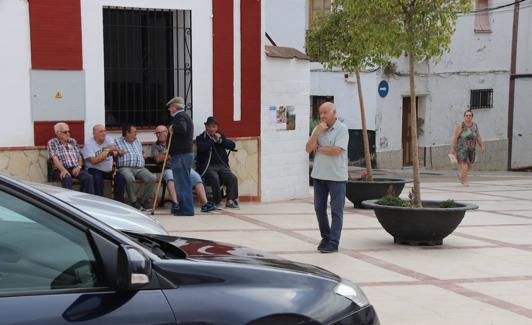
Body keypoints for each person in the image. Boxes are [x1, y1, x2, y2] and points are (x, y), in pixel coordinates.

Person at [305, 102, 349, 253]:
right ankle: (326, 237)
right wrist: (317, 133)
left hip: (336, 176)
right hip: (319, 175)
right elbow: (308, 149)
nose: (322, 116)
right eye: (320, 113)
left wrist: (319, 148)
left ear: (334, 112)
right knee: (319, 208)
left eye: (325, 113)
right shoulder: (318, 129)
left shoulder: (342, 129)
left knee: (337, 211)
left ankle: (334, 242)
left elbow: (336, 150)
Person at [151, 125, 216, 213]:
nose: (158, 135)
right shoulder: (155, 146)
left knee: (196, 177)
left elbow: (182, 154)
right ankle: (175, 203)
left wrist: (167, 154)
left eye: (161, 132)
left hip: (182, 168)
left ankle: (205, 204)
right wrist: (171, 154)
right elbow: (158, 159)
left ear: (167, 132)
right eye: (157, 133)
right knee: (170, 178)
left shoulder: (175, 142)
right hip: (168, 169)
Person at [196, 116, 240, 209]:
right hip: (208, 166)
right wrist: (212, 140)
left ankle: (230, 201)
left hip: (221, 165)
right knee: (214, 177)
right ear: (206, 127)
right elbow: (202, 148)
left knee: (232, 178)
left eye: (214, 127)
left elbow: (232, 145)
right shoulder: (201, 138)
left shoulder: (220, 136)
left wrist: (221, 140)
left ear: (217, 128)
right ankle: (216, 201)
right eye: (209, 126)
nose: (211, 129)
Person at [114, 125, 156, 210]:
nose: (136, 134)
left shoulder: (137, 141)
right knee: (129, 178)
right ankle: (134, 202)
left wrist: (142, 155)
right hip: (125, 167)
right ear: (127, 133)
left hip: (140, 168)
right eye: (134, 132)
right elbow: (112, 151)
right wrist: (117, 151)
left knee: (152, 178)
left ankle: (145, 201)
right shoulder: (117, 141)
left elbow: (141, 152)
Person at [167, 97, 195, 216]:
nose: (169, 109)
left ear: (174, 107)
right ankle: (185, 207)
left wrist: (172, 128)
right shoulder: (185, 116)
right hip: (185, 153)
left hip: (181, 155)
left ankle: (186, 209)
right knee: (184, 181)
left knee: (181, 182)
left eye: (170, 107)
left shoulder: (180, 117)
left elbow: (181, 128)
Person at [47, 122, 94, 194]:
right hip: (60, 169)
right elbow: (54, 158)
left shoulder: (73, 141)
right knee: (66, 178)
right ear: (57, 133)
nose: (68, 133)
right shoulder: (52, 142)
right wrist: (63, 170)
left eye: (69, 131)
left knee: (88, 177)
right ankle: (68, 201)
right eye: (65, 132)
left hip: (75, 168)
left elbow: (79, 156)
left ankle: (90, 199)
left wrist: (79, 166)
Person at [83, 124, 126, 202]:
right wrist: (107, 151)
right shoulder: (89, 143)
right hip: (94, 169)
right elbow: (94, 161)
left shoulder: (108, 139)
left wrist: (118, 152)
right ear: (94, 134)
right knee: (97, 179)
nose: (104, 133)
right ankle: (99, 202)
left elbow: (113, 148)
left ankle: (119, 202)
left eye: (105, 131)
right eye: (101, 131)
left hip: (108, 170)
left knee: (120, 178)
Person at [450, 110, 485, 186]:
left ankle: (461, 175)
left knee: (469, 166)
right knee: (464, 164)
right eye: (467, 115)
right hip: (462, 148)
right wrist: (453, 148)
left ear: (472, 117)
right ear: (464, 116)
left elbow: (478, 136)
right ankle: (465, 180)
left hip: (471, 149)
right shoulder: (461, 126)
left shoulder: (475, 125)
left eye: (470, 115)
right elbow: (455, 137)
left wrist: (482, 145)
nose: (468, 117)